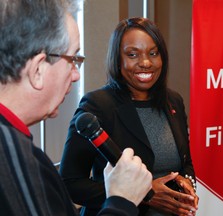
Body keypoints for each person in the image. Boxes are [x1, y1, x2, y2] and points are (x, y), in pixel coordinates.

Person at [0, 1, 152, 215]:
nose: (76, 75)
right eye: (72, 59)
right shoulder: (15, 161)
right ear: (37, 70)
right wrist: (121, 201)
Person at [59, 17, 199, 216]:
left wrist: (187, 184)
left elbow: (185, 163)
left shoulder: (173, 101)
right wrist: (145, 193)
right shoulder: (97, 105)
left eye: (153, 53)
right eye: (133, 54)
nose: (145, 62)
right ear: (118, 59)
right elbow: (70, 184)